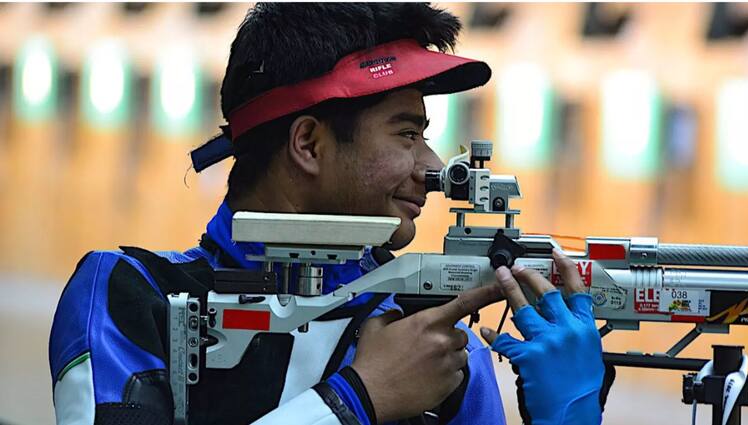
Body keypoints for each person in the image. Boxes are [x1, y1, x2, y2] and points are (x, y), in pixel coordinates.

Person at [49, 3, 608, 425]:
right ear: (309, 144)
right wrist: (356, 399)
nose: (432, 166)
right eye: (407, 133)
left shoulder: (436, 342)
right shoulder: (131, 295)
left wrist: (569, 415)